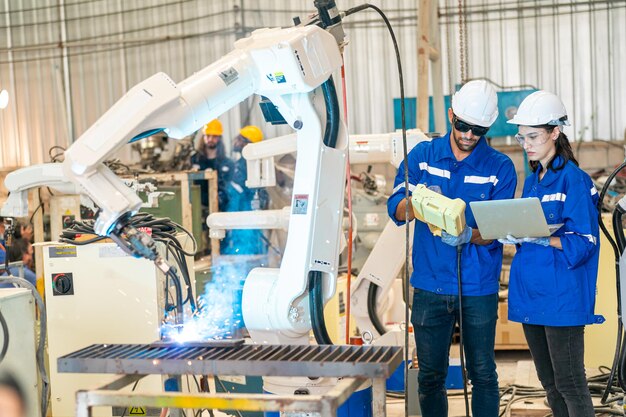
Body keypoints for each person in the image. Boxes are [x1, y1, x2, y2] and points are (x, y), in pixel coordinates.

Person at [387, 80, 517, 417]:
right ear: (450, 115)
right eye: (463, 126)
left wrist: (467, 233)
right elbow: (396, 208)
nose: (469, 135)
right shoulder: (423, 157)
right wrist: (420, 204)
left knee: (483, 374)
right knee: (430, 375)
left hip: (478, 287)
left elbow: (499, 229)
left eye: (478, 129)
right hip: (430, 284)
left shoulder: (499, 168)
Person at [500, 91, 602, 417]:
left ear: (555, 132)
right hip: (533, 294)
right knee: (550, 383)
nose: (526, 144)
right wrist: (515, 233)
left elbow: (586, 239)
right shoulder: (533, 180)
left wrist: (545, 239)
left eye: (533, 136)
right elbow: (532, 229)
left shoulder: (574, 179)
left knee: (570, 382)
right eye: (522, 137)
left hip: (562, 297)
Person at [221, 125, 269, 255]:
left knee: (244, 257)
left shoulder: (248, 167)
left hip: (244, 225)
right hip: (243, 223)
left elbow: (237, 197)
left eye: (241, 139)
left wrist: (228, 220)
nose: (236, 141)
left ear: (248, 144)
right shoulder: (241, 164)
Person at [190, 119, 235, 212]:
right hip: (197, 207)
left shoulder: (228, 163)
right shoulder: (194, 159)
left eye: (214, 136)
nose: (210, 139)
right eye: (208, 136)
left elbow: (229, 188)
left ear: (219, 138)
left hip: (220, 208)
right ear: (203, 137)